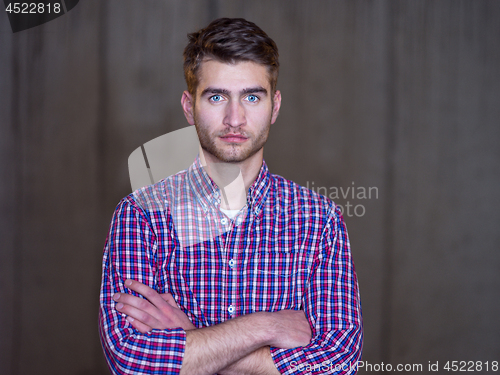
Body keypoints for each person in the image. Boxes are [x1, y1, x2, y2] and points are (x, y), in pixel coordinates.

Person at [99, 17, 362, 375]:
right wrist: (266, 327)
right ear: (189, 107)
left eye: (252, 96)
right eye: (217, 96)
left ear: (275, 106)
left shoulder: (319, 221)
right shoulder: (141, 214)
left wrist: (192, 340)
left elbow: (336, 361)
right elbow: (133, 360)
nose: (235, 118)